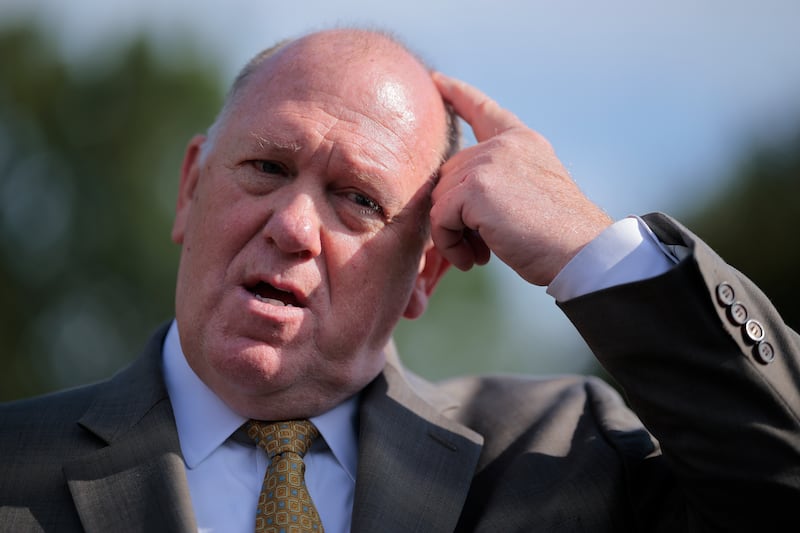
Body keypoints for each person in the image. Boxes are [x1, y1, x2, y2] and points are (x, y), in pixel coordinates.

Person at [1, 27, 798, 533]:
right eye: (267, 167)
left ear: (425, 272)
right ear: (188, 189)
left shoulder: (567, 455)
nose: (292, 225)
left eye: (357, 199)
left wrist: (592, 249)